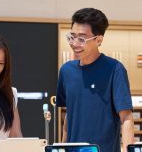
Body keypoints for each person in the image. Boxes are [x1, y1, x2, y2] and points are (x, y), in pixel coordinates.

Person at [56, 8, 134, 152]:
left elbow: (126, 118)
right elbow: (69, 116)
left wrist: (128, 149)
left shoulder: (115, 69)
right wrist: (62, 147)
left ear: (99, 40)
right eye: (72, 37)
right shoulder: (66, 71)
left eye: (81, 38)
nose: (74, 43)